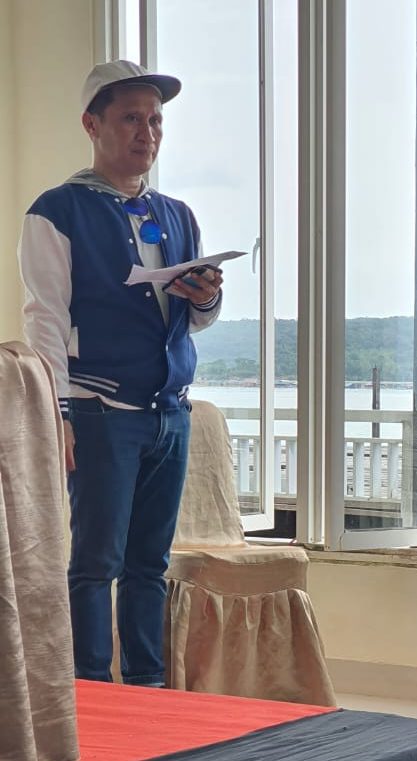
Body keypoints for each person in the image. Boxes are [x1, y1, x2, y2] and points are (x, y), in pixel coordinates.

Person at [18, 60, 223, 687]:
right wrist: (55, 413)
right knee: (95, 564)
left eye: (155, 121)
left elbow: (190, 322)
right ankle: (89, 692)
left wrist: (207, 297)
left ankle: (148, 690)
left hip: (170, 413)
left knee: (149, 565)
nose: (147, 133)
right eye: (132, 118)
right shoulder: (57, 210)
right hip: (99, 411)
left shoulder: (177, 213)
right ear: (92, 124)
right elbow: (45, 318)